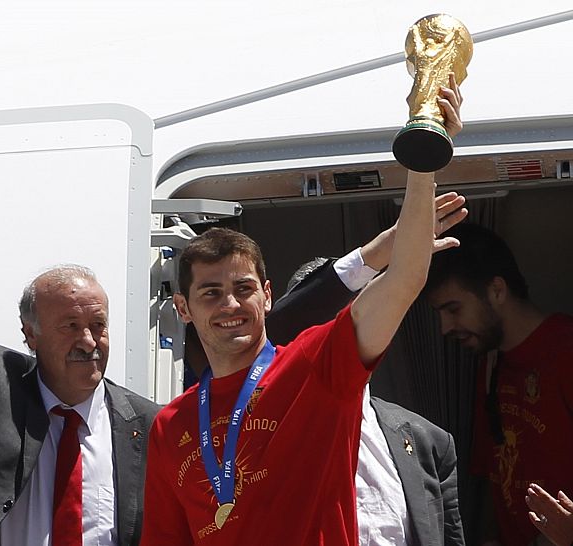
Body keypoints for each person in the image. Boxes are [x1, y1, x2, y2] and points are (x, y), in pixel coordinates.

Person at [140, 79, 463, 545]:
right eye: (210, 293)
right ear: (183, 308)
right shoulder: (170, 426)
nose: (230, 305)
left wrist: (424, 153)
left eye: (243, 288)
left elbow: (405, 279)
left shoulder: (316, 367)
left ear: (267, 297)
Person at [0, 138, 160, 546]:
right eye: (70, 326)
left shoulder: (147, 424)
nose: (89, 340)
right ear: (30, 335)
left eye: (98, 324)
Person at [270, 254, 466, 545]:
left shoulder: (429, 441)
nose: (340, 336)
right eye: (327, 326)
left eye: (352, 321)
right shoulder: (257, 432)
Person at [424, 223, 573, 546]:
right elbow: (494, 473)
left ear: (497, 290)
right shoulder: (492, 364)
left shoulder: (565, 351)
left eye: (453, 309)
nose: (445, 328)